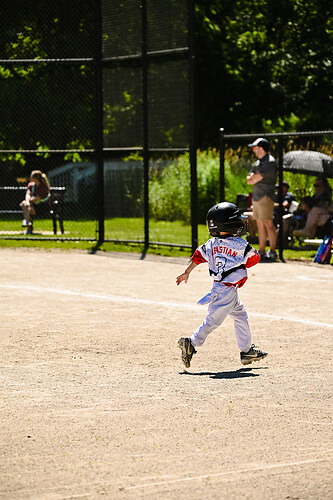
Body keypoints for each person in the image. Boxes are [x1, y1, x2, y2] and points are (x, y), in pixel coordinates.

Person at [176, 201, 268, 369]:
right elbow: (255, 258)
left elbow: (198, 256)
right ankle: (191, 343)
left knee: (240, 316)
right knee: (213, 321)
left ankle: (246, 350)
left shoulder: (211, 244)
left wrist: (187, 271)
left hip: (221, 287)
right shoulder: (240, 244)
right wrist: (240, 265)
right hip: (226, 290)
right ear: (230, 224)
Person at [246, 137, 277, 261]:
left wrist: (253, 177)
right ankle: (262, 251)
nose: (253, 150)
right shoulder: (258, 162)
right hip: (257, 197)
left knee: (268, 224)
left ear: (262, 148)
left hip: (266, 197)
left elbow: (254, 178)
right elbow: (249, 180)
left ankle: (273, 251)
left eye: (255, 148)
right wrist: (252, 177)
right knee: (259, 224)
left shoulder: (269, 162)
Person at [19, 170, 51, 235]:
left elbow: (37, 198)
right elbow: (28, 194)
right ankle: (28, 223)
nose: (30, 178)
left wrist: (28, 201)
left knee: (26, 206)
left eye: (31, 176)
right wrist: (27, 202)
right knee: (26, 206)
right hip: (32, 205)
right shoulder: (31, 185)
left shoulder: (43, 186)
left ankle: (28, 226)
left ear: (36, 178)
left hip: (43, 206)